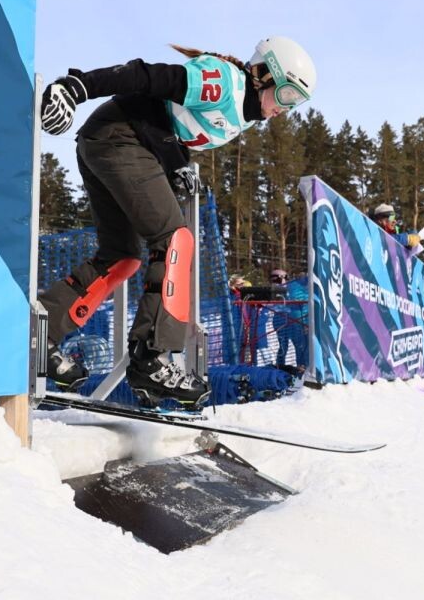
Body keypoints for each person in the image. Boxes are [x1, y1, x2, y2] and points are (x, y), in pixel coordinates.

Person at [38, 37, 317, 410]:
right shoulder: (222, 83)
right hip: (118, 138)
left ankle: (41, 337)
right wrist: (79, 86)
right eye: (285, 96)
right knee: (175, 240)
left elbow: (164, 122)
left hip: (105, 139)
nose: (285, 109)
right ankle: (151, 358)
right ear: (263, 74)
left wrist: (176, 164)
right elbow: (145, 78)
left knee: (123, 257)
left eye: (295, 104)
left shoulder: (243, 115)